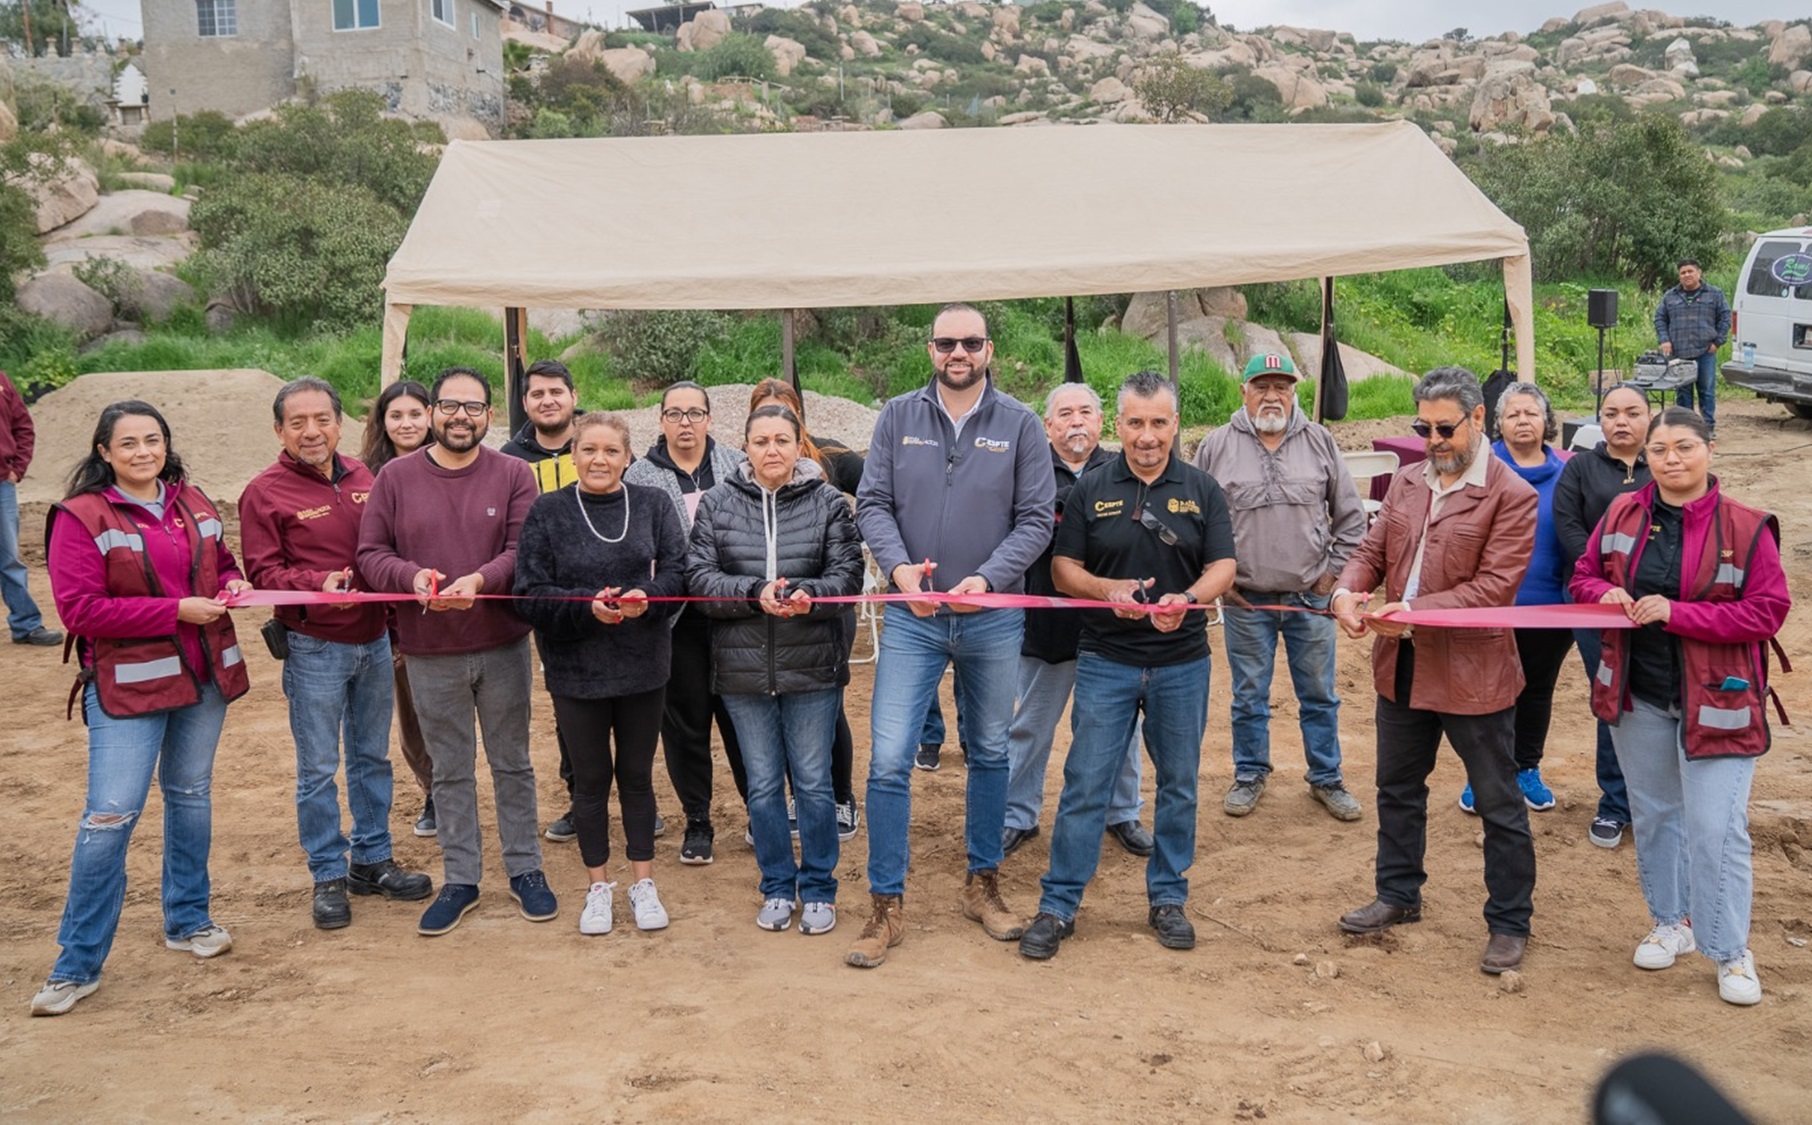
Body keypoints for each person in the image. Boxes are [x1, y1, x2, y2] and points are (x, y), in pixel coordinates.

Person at [847, 303, 1055, 969]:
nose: (957, 351)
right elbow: (872, 503)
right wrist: (901, 570)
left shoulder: (1021, 423)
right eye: (946, 342)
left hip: (990, 617)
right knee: (887, 759)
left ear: (988, 348)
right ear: (931, 348)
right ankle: (885, 903)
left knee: (991, 750)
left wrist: (989, 580)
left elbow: (1035, 520)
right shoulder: (898, 418)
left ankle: (984, 882)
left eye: (970, 341)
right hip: (912, 619)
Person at [30, 401, 252, 1016]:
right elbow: (81, 612)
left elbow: (223, 564)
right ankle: (76, 963)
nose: (142, 452)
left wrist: (231, 585)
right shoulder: (81, 516)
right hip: (129, 687)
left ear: (166, 444)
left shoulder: (194, 501)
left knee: (190, 796)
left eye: (152, 440)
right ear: (104, 452)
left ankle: (189, 920)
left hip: (204, 678)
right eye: (127, 443)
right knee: (110, 815)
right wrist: (176, 611)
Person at [1570, 407, 1790, 1006]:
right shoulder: (1623, 512)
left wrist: (1677, 612)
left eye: (1684, 447)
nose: (1671, 459)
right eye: (1660, 449)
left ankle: (1730, 949)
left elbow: (1767, 611)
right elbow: (1583, 575)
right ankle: (1672, 922)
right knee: (1658, 815)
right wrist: (1605, 590)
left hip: (1718, 702)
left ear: (1709, 450)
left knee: (1717, 828)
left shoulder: (1746, 526)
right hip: (1638, 693)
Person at [1019, 371, 1237, 960]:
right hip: (1105, 660)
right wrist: (1105, 590)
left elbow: (1223, 567)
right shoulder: (1091, 489)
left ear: (1175, 425)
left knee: (1180, 787)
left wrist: (1189, 600)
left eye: (1159, 423)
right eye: (1136, 423)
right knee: (1085, 784)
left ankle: (1168, 898)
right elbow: (1064, 571)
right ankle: (1059, 905)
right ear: (1118, 425)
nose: (1147, 436)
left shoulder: (1203, 488)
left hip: (1182, 662)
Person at [1331, 367, 1538, 976]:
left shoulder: (1512, 495)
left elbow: (1496, 588)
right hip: (1401, 665)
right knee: (1397, 789)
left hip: (1474, 673)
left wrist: (1412, 610)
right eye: (1423, 426)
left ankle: (1509, 922)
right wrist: (1346, 592)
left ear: (1479, 419)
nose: (1433, 439)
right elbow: (1371, 550)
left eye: (1445, 427)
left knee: (1499, 802)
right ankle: (1398, 895)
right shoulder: (1407, 481)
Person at [357, 367, 556, 936]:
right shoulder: (395, 477)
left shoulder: (515, 473)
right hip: (428, 649)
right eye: (449, 406)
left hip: (502, 644)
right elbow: (371, 552)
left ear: (490, 415)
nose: (461, 417)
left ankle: (526, 871)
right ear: (433, 412)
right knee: (449, 769)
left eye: (474, 407)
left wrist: (479, 581)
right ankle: (461, 879)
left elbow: (524, 549)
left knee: (512, 762)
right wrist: (412, 576)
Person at [240, 378, 434, 930]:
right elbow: (263, 573)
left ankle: (372, 862)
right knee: (318, 769)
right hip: (314, 646)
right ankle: (328, 872)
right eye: (297, 422)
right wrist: (316, 582)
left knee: (371, 756)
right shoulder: (264, 492)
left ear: (340, 422)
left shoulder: (366, 478)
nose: (311, 432)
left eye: (322, 419)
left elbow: (387, 551)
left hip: (374, 642)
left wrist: (396, 626)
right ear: (279, 430)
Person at [687, 404, 865, 934]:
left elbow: (849, 575)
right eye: (761, 441)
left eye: (782, 440)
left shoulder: (829, 503)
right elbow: (698, 579)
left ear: (798, 445)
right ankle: (775, 886)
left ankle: (818, 888)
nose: (772, 451)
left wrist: (813, 595)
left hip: (811, 666)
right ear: (745, 447)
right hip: (742, 671)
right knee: (763, 786)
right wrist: (751, 592)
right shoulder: (717, 504)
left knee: (812, 783)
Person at [514, 412, 685, 935]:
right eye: (588, 450)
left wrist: (646, 598)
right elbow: (529, 593)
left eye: (611, 451)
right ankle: (598, 887)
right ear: (573, 456)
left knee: (636, 778)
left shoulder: (653, 504)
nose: (599, 460)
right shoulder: (547, 511)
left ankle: (642, 882)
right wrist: (585, 606)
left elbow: (678, 573)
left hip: (643, 664)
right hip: (576, 668)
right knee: (589, 783)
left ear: (628, 457)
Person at [1194, 353, 1367, 822]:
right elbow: (1195, 521)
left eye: (1282, 387)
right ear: (1243, 391)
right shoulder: (1215, 446)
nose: (1272, 396)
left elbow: (1352, 519)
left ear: (1294, 393)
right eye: (1261, 386)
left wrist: (1330, 578)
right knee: (1249, 695)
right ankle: (1250, 774)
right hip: (1245, 600)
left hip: (1309, 600)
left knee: (1319, 694)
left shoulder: (1320, 441)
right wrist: (1217, 580)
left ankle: (1326, 778)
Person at [1003, 381, 1150, 858]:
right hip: (1044, 628)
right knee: (1029, 727)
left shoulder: (1125, 470)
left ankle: (1123, 811)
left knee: (1120, 727)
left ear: (1101, 422)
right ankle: (1017, 815)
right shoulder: (1027, 472)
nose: (1075, 422)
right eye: (1064, 414)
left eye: (1085, 412)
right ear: (1048, 426)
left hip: (1114, 629)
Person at [624, 381, 747, 866]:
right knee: (686, 725)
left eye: (695, 413)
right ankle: (698, 819)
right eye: (675, 414)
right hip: (676, 622)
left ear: (710, 419)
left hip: (736, 614)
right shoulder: (639, 476)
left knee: (744, 721)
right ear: (660, 421)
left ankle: (760, 812)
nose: (686, 423)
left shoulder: (738, 464)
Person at [746, 378, 862, 838]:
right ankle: (792, 800)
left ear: (799, 419)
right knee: (772, 707)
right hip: (764, 612)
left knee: (825, 704)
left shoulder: (829, 457)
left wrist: (855, 540)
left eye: (785, 413)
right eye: (765, 412)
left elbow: (876, 495)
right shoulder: (749, 466)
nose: (775, 423)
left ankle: (839, 797)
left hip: (823, 606)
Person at [1454, 382, 1573, 819]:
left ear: (1547, 421)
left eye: (1532, 413)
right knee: (1487, 693)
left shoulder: (1569, 474)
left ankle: (1526, 768)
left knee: (1537, 690)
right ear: (1497, 424)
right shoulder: (1479, 469)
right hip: (1490, 605)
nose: (1523, 421)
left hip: (1549, 607)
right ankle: (1482, 773)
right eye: (1513, 414)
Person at [1553, 383, 1651, 849]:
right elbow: (1569, 528)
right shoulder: (1581, 469)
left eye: (1632, 412)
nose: (1621, 421)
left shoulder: (1666, 466)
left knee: (1659, 699)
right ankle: (1614, 804)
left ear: (1649, 418)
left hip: (1660, 607)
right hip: (1595, 602)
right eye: (1611, 413)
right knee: (1611, 698)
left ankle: (1655, 803)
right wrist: (1605, 582)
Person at [359, 379, 438, 838]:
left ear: (430, 415)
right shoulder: (363, 476)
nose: (406, 423)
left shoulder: (452, 462)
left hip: (455, 605)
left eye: (415, 413)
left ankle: (454, 789)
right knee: (412, 715)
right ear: (383, 422)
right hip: (395, 617)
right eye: (396, 415)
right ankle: (432, 792)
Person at [1, 369, 62, 647]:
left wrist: (17, 468)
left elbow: (22, 425)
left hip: (1, 484)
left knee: (9, 558)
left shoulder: (1, 381)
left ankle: (26, 625)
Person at [1654, 259, 1731, 433]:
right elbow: (1660, 318)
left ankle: (1707, 428)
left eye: (1690, 271)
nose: (1687, 275)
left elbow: (1725, 317)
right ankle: (1686, 428)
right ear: (1679, 276)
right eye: (1683, 273)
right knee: (1683, 393)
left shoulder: (1714, 294)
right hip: (1679, 353)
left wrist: (1718, 341)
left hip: (1705, 352)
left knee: (1706, 391)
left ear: (1699, 273)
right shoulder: (1670, 296)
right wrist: (1664, 340)